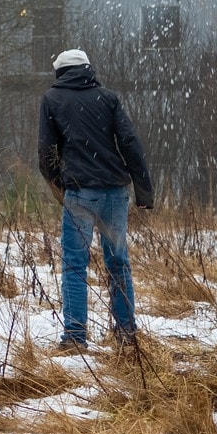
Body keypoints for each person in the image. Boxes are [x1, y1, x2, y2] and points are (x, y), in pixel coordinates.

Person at [38, 49, 154, 353]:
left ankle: (75, 338)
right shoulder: (108, 97)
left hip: (79, 191)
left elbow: (46, 153)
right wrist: (143, 190)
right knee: (118, 264)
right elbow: (129, 142)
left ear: (60, 73)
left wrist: (59, 190)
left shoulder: (52, 99)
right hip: (115, 190)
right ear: (88, 69)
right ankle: (127, 335)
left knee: (75, 266)